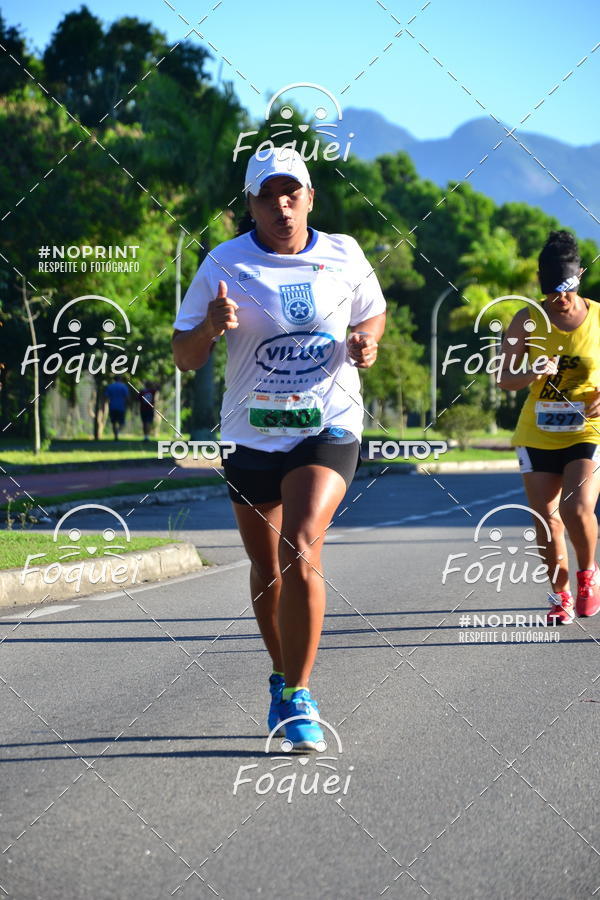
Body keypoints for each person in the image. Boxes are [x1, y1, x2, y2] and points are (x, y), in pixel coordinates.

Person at [172, 147, 386, 750]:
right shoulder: (224, 262)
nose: (282, 203)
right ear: (252, 204)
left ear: (311, 197)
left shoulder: (344, 253)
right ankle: (280, 677)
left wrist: (365, 344)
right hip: (250, 433)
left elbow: (373, 314)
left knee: (301, 544)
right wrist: (211, 326)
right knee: (267, 571)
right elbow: (184, 356)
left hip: (329, 423)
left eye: (292, 191)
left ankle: (299, 696)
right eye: (268, 194)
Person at [498, 230, 600, 624]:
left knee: (577, 507)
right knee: (546, 518)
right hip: (538, 431)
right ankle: (560, 595)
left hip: (587, 430)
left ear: (578, 279)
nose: (562, 299)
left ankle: (587, 575)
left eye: (568, 289)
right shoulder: (526, 319)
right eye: (554, 290)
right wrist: (530, 371)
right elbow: (504, 378)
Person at [104, 375, 129, 441]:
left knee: (114, 422)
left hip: (112, 406)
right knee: (122, 423)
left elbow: (106, 397)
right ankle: (117, 433)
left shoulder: (110, 386)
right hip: (121, 407)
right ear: (120, 379)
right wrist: (127, 405)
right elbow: (126, 397)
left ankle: (116, 435)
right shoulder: (123, 386)